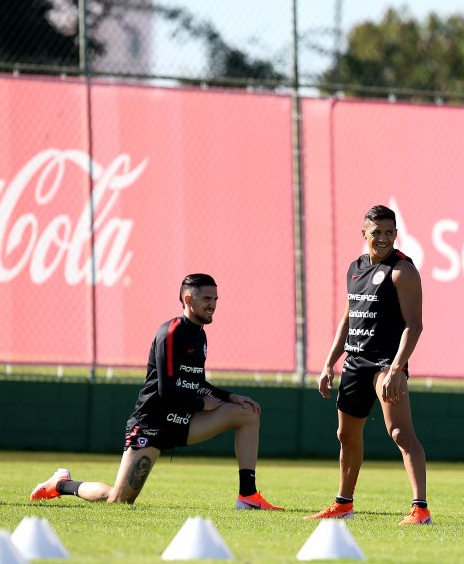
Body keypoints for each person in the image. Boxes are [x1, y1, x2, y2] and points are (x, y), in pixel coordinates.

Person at [31, 273, 282, 510]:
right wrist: (201, 404)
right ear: (188, 299)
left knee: (246, 412)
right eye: (207, 298)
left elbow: (197, 382)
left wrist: (230, 397)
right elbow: (167, 390)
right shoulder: (171, 332)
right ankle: (62, 483)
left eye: (215, 299)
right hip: (152, 426)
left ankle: (247, 496)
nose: (213, 305)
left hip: (184, 421)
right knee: (118, 500)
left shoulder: (200, 336)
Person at [306, 205, 431, 525]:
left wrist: (395, 369)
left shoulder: (402, 270)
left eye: (390, 232)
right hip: (355, 362)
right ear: (364, 234)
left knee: (401, 433)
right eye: (377, 233)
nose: (384, 238)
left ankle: (420, 510)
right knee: (345, 436)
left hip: (385, 364)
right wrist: (327, 364)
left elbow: (414, 326)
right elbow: (348, 319)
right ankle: (343, 504)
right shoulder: (355, 268)